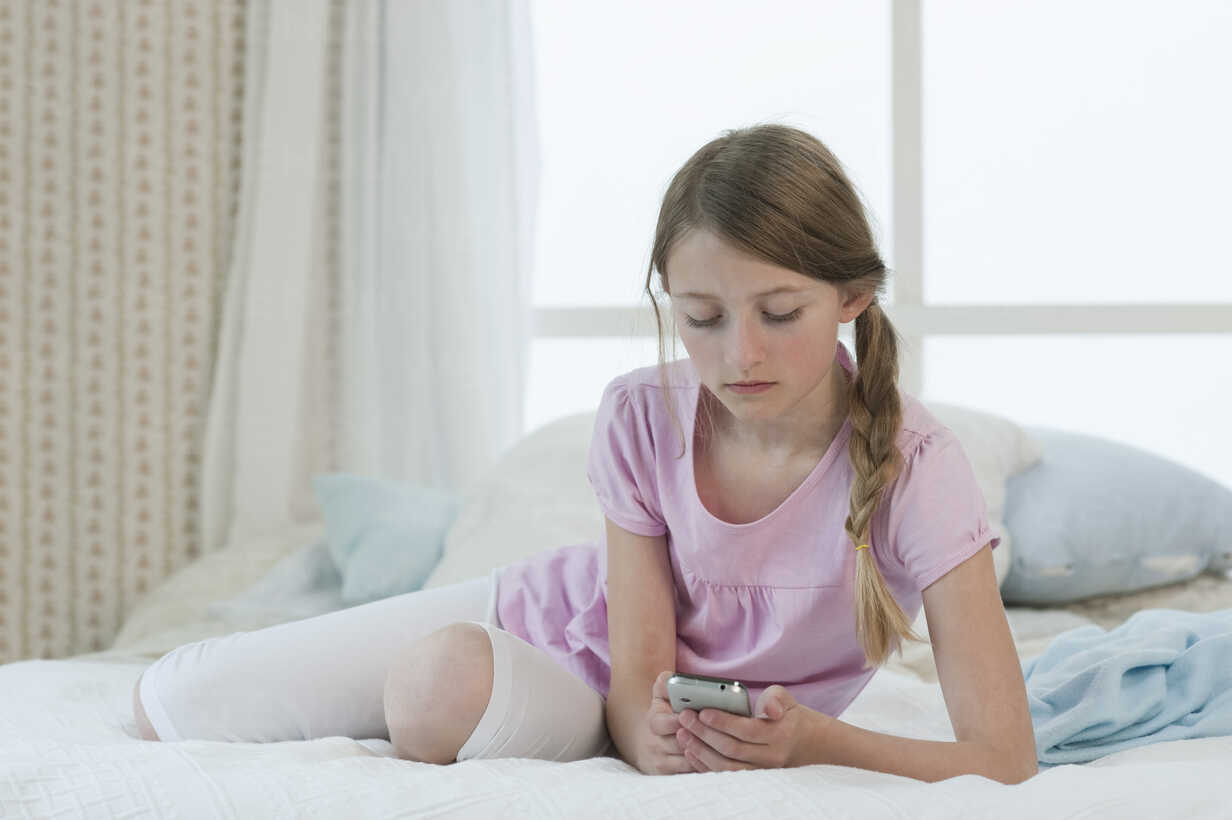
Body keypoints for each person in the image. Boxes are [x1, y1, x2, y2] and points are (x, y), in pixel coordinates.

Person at [133, 122, 999, 776]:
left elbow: (1003, 756)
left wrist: (816, 741)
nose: (740, 354)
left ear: (852, 295)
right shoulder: (640, 414)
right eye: (702, 317)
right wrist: (638, 732)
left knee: (435, 694)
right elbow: (637, 673)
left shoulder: (917, 468)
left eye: (779, 314)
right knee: (171, 701)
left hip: (608, 712)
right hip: (558, 637)